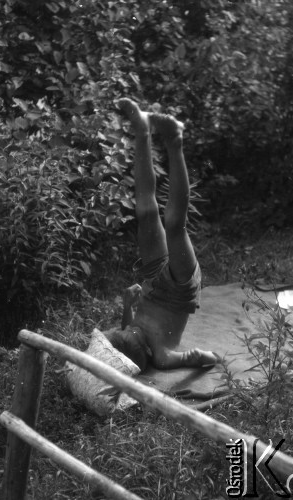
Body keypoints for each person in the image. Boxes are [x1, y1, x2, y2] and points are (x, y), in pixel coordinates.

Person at [104, 98, 219, 371]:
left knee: (145, 209)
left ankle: (142, 130)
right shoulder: (163, 357)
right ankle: (174, 140)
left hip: (154, 278)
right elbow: (209, 358)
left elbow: (127, 327)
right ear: (140, 353)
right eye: (130, 335)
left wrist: (127, 304)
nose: (129, 329)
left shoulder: (128, 336)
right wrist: (199, 356)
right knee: (175, 224)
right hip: (179, 289)